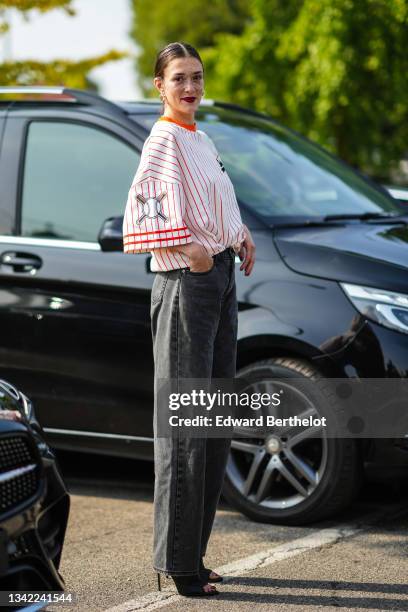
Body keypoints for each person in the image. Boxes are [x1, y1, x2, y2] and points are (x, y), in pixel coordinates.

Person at [122, 41, 256, 597]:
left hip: (218, 279)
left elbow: (216, 197)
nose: (190, 87)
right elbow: (142, 210)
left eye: (197, 77)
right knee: (185, 425)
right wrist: (191, 251)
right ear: (160, 85)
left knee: (213, 419)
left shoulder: (200, 138)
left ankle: (193, 553)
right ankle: (180, 564)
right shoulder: (162, 140)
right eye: (178, 78)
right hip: (187, 283)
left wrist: (239, 236)